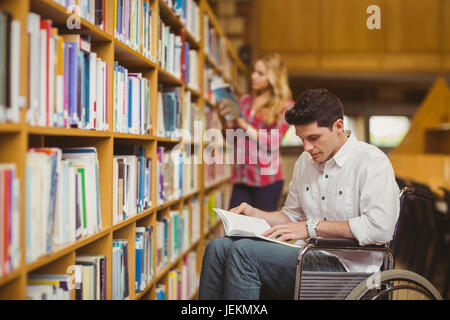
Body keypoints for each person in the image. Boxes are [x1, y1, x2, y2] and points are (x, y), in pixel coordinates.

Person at [198, 88, 400, 300]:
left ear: (338, 126)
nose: (307, 147)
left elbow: (380, 228)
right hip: (308, 256)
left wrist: (310, 228)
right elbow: (292, 215)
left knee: (244, 252)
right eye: (301, 139)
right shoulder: (306, 161)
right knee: (218, 248)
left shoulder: (372, 161)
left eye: (313, 137)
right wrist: (257, 214)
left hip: (352, 271)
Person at [217, 53, 294, 212]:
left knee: (262, 232)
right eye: (253, 71)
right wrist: (223, 118)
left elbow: (273, 142)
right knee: (232, 228)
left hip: (267, 180)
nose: (253, 76)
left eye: (260, 73)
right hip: (241, 176)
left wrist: (242, 123)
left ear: (273, 77)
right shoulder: (245, 101)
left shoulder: (285, 107)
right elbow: (232, 138)